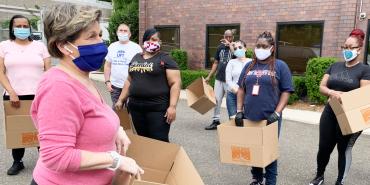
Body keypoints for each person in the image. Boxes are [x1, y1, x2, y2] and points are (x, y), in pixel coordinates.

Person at [30, 4, 143, 185]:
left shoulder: (81, 76)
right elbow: (56, 156)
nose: (101, 43)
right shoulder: (58, 87)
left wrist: (117, 130)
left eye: (100, 35)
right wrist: (116, 160)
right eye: (91, 36)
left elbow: (92, 115)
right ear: (64, 46)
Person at [309, 29, 370, 185]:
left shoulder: (365, 70)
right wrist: (332, 92)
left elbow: (364, 95)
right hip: (331, 110)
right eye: (345, 47)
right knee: (324, 147)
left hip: (350, 114)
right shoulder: (334, 66)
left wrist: (343, 96)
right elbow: (322, 87)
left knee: (343, 149)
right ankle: (319, 176)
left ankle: (339, 181)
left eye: (350, 47)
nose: (347, 50)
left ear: (359, 49)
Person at [235, 31, 294, 185]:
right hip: (250, 116)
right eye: (258, 45)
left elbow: (286, 91)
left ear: (272, 48)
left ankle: (270, 182)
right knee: (254, 149)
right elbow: (241, 89)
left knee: (269, 152)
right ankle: (257, 179)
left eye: (264, 46)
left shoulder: (280, 66)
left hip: (270, 118)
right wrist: (239, 111)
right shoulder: (249, 66)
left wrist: (277, 112)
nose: (260, 49)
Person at [0, 14, 51, 175]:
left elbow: (48, 71)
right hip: (14, 97)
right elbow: (1, 71)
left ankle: (45, 163)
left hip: (39, 96)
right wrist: (11, 91)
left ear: (30, 28)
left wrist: (47, 92)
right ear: (12, 28)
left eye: (25, 26)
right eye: (18, 26)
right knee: (18, 130)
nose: (22, 29)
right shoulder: (4, 46)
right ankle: (17, 162)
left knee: (41, 130)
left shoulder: (40, 46)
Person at [115, 28, 181, 142]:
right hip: (136, 108)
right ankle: (148, 160)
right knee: (143, 140)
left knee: (159, 141)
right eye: (150, 39)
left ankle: (165, 160)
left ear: (160, 42)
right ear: (144, 41)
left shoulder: (165, 59)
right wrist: (121, 100)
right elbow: (129, 80)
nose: (153, 42)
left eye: (156, 40)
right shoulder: (136, 57)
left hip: (157, 109)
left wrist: (172, 107)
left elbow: (175, 83)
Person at [104, 23, 142, 106]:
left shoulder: (136, 48)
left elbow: (141, 67)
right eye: (120, 30)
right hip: (115, 86)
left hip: (131, 86)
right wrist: (107, 81)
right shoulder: (112, 46)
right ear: (117, 32)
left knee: (131, 110)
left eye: (125, 31)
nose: (123, 32)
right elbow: (107, 66)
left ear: (130, 34)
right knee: (117, 110)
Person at [205, 29, 235, 130]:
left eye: (230, 37)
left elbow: (238, 56)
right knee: (216, 100)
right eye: (226, 37)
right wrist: (209, 76)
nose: (228, 39)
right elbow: (216, 63)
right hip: (219, 79)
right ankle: (215, 121)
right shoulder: (219, 47)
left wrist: (230, 45)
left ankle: (233, 122)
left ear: (233, 37)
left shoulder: (236, 46)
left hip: (230, 81)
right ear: (223, 36)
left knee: (230, 102)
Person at [225, 40, 251, 119]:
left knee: (246, 120)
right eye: (235, 48)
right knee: (233, 120)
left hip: (248, 95)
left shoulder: (252, 62)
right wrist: (236, 90)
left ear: (245, 49)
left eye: (240, 47)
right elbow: (228, 80)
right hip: (232, 94)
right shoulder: (231, 62)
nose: (238, 49)